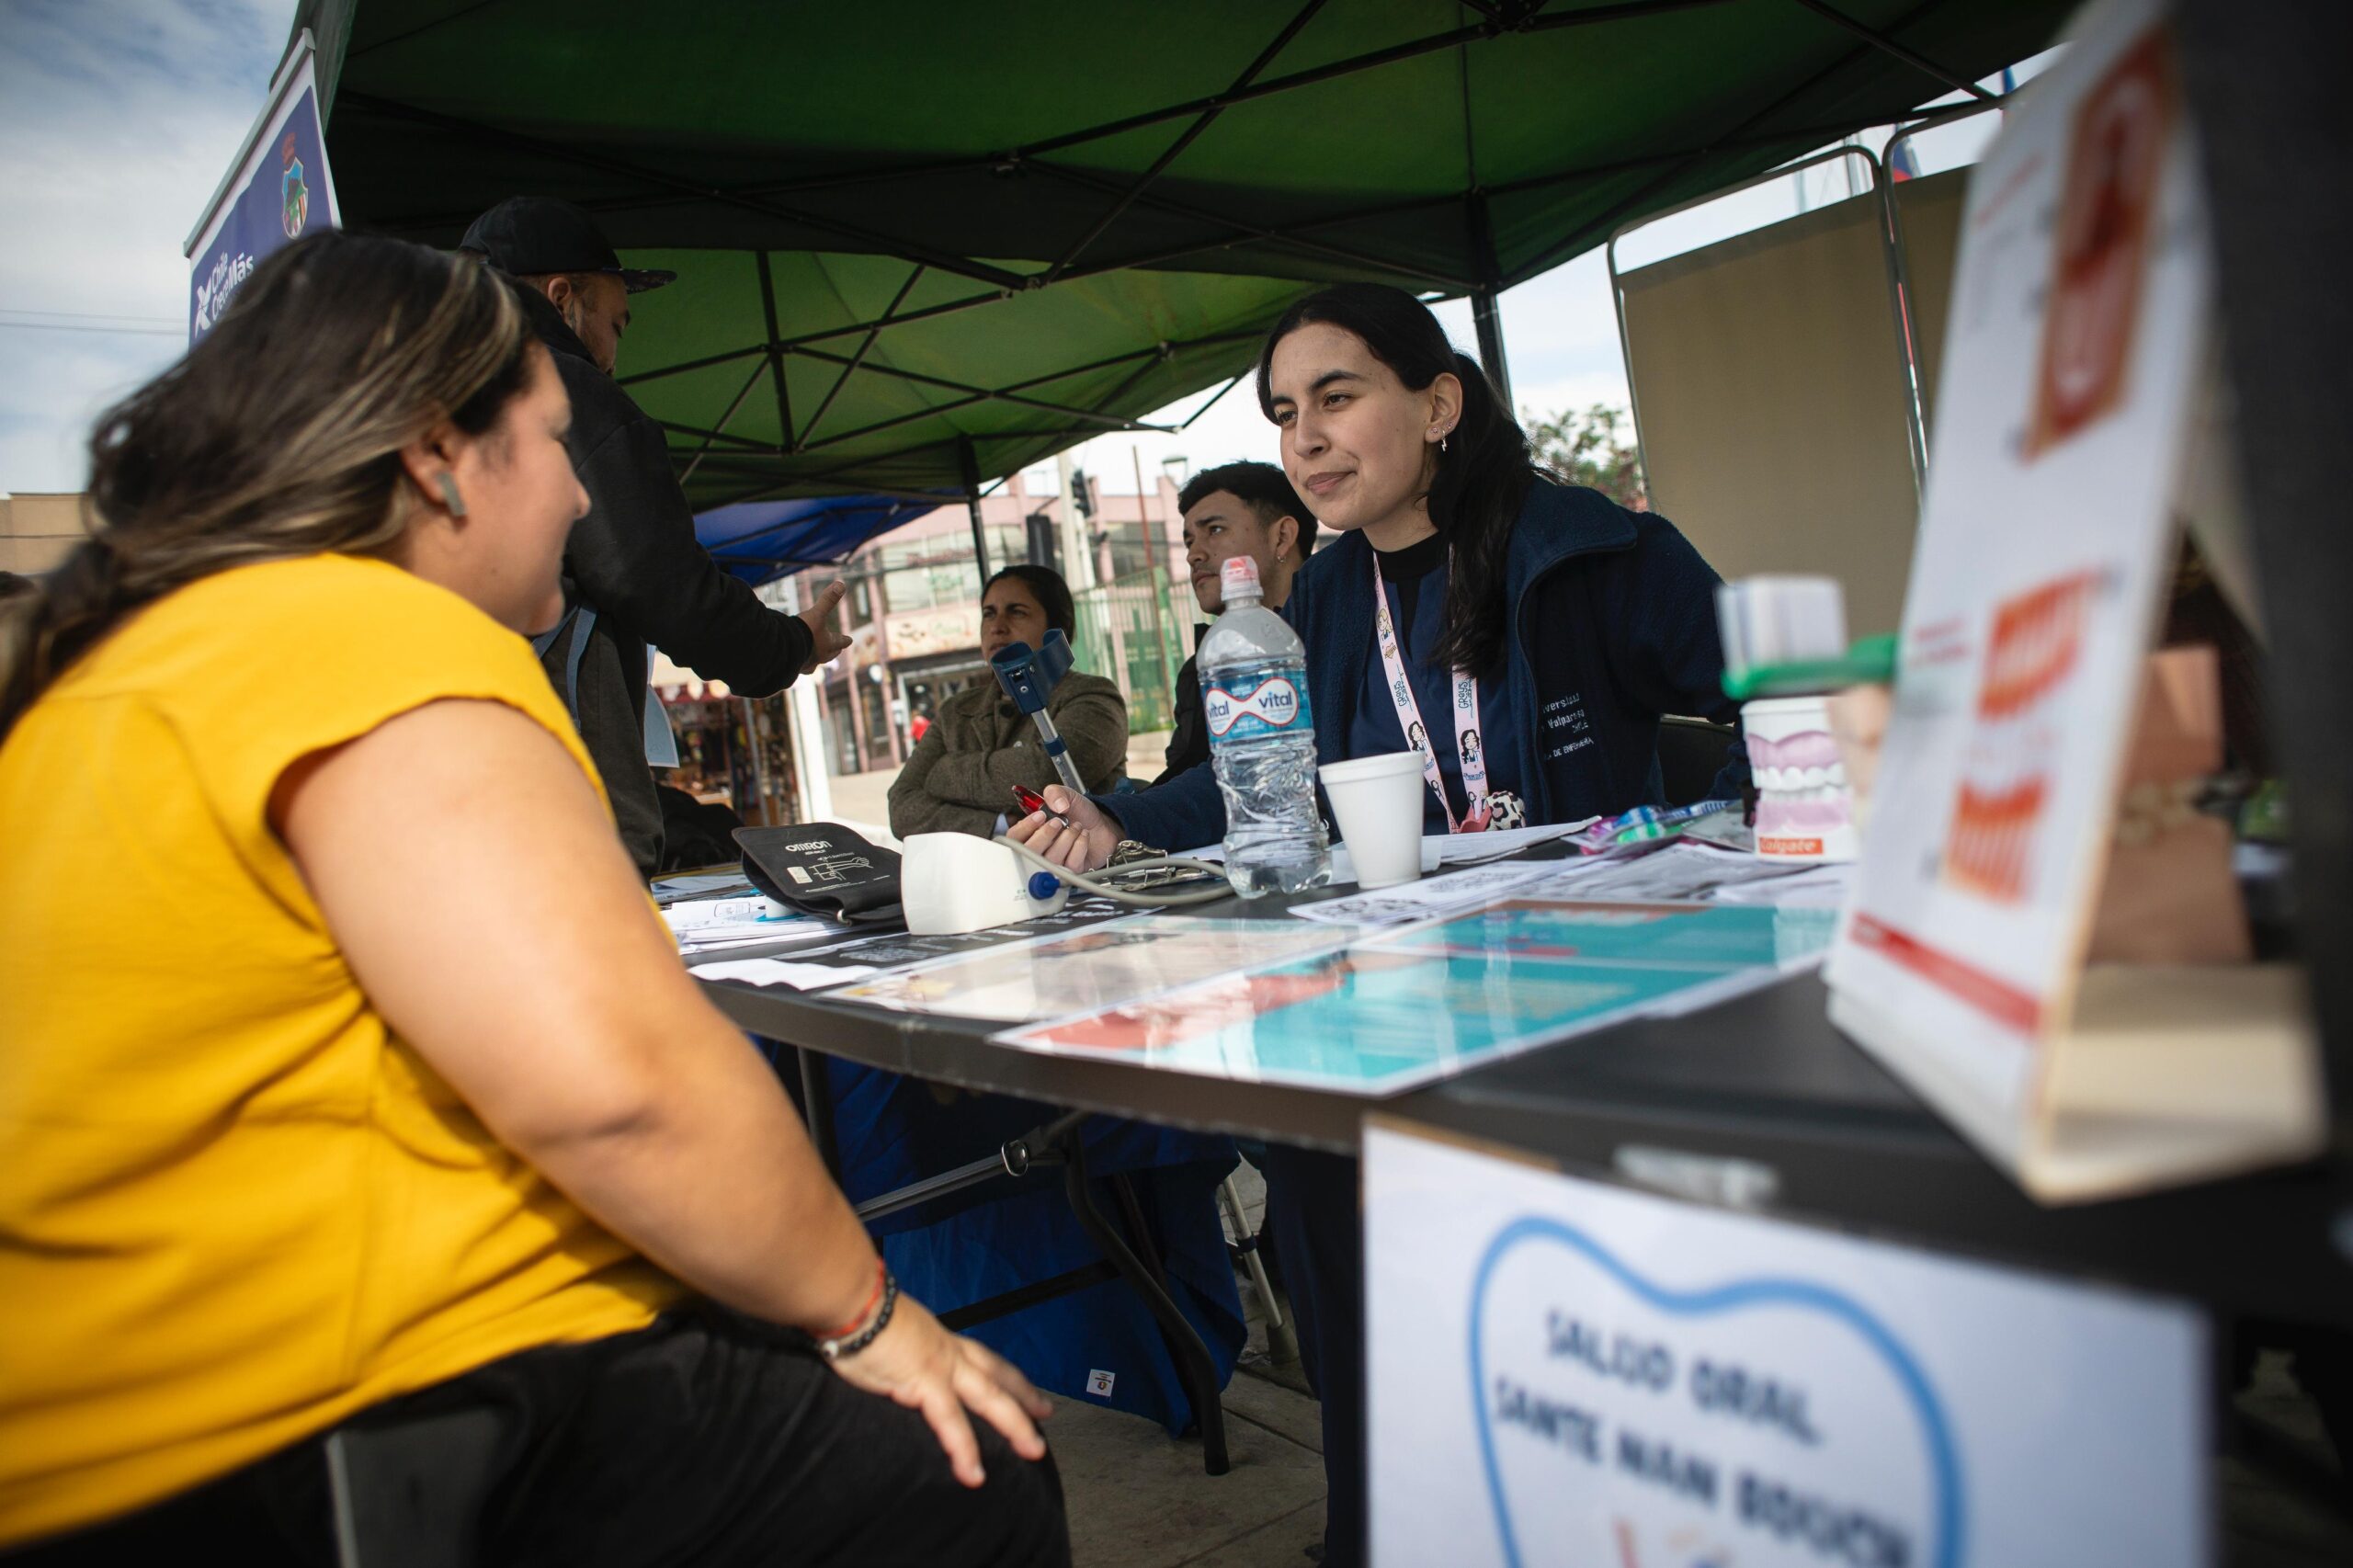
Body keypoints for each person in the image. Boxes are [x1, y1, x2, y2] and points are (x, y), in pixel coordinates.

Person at [0, 233, 1064, 1565]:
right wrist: (868, 1315)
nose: (575, 491)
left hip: (150, 1419)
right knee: (968, 1463)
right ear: (436, 455)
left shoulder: (120, 670)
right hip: (312, 1424)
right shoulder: (378, 633)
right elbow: (620, 1088)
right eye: (556, 440)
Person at [1013, 282, 1743, 1567]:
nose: (1305, 437)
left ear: (1439, 401)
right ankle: (1385, 1524)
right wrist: (1117, 823)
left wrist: (1707, 831)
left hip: (1583, 1002)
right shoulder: (1330, 597)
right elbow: (1259, 778)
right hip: (1403, 996)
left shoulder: (1593, 553)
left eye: (1337, 397)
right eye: (1284, 413)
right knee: (1314, 1163)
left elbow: (1781, 694)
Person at [458, 196, 851, 878]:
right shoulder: (562, 392)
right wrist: (788, 646)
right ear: (562, 297)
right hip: (556, 783)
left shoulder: (410, 405)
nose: (613, 358)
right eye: (615, 325)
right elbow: (656, 579)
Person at [886, 563, 1127, 840]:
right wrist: (1001, 824)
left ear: (1057, 626)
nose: (997, 627)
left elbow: (1045, 773)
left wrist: (943, 772)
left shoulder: (1093, 696)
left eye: (1017, 612)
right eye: (988, 614)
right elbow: (902, 808)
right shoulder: (956, 711)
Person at [1153, 461, 1316, 786]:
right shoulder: (1199, 672)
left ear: (1282, 537)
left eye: (1214, 530)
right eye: (1189, 541)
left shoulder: (1337, 634)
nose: (1193, 555)